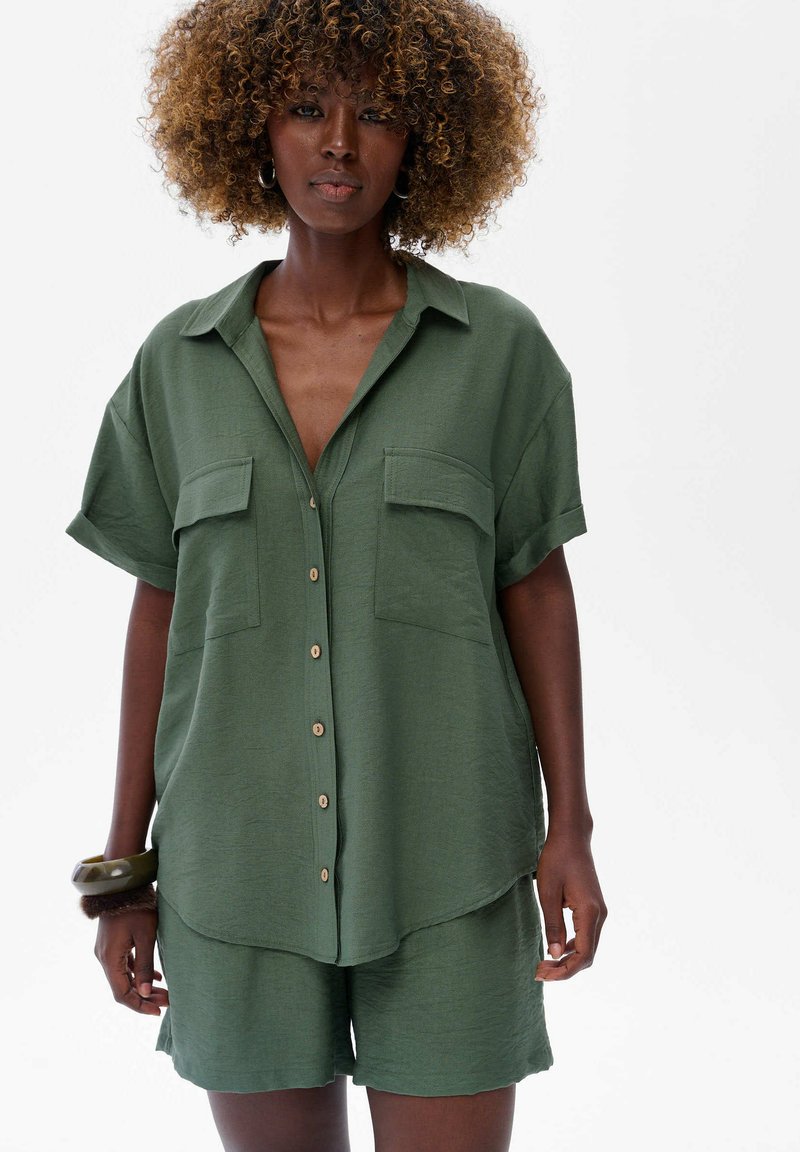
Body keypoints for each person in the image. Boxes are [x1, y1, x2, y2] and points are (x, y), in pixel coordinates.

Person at [66, 0, 607, 1149]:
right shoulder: (176, 366)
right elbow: (160, 614)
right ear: (249, 127)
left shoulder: (498, 352)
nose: (340, 144)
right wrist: (125, 869)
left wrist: (570, 828)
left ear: (430, 138)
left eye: (380, 113)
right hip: (234, 872)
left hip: (450, 865)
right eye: (307, 108)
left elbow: (535, 589)